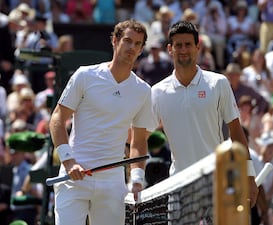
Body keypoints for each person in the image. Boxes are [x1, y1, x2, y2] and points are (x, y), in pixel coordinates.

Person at [49, 19, 153, 225]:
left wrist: (137, 179)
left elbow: (139, 142)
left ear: (141, 50)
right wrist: (69, 162)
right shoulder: (85, 76)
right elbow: (57, 120)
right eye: (127, 41)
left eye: (138, 44)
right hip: (73, 178)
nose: (132, 47)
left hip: (112, 182)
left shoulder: (143, 91)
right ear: (114, 41)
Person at [151, 20, 258, 207]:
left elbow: (236, 132)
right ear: (170, 49)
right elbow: (140, 135)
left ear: (198, 47)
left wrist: (249, 176)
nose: (183, 50)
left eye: (188, 45)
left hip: (216, 184)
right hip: (178, 186)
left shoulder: (219, 83)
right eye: (178, 45)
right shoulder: (157, 92)